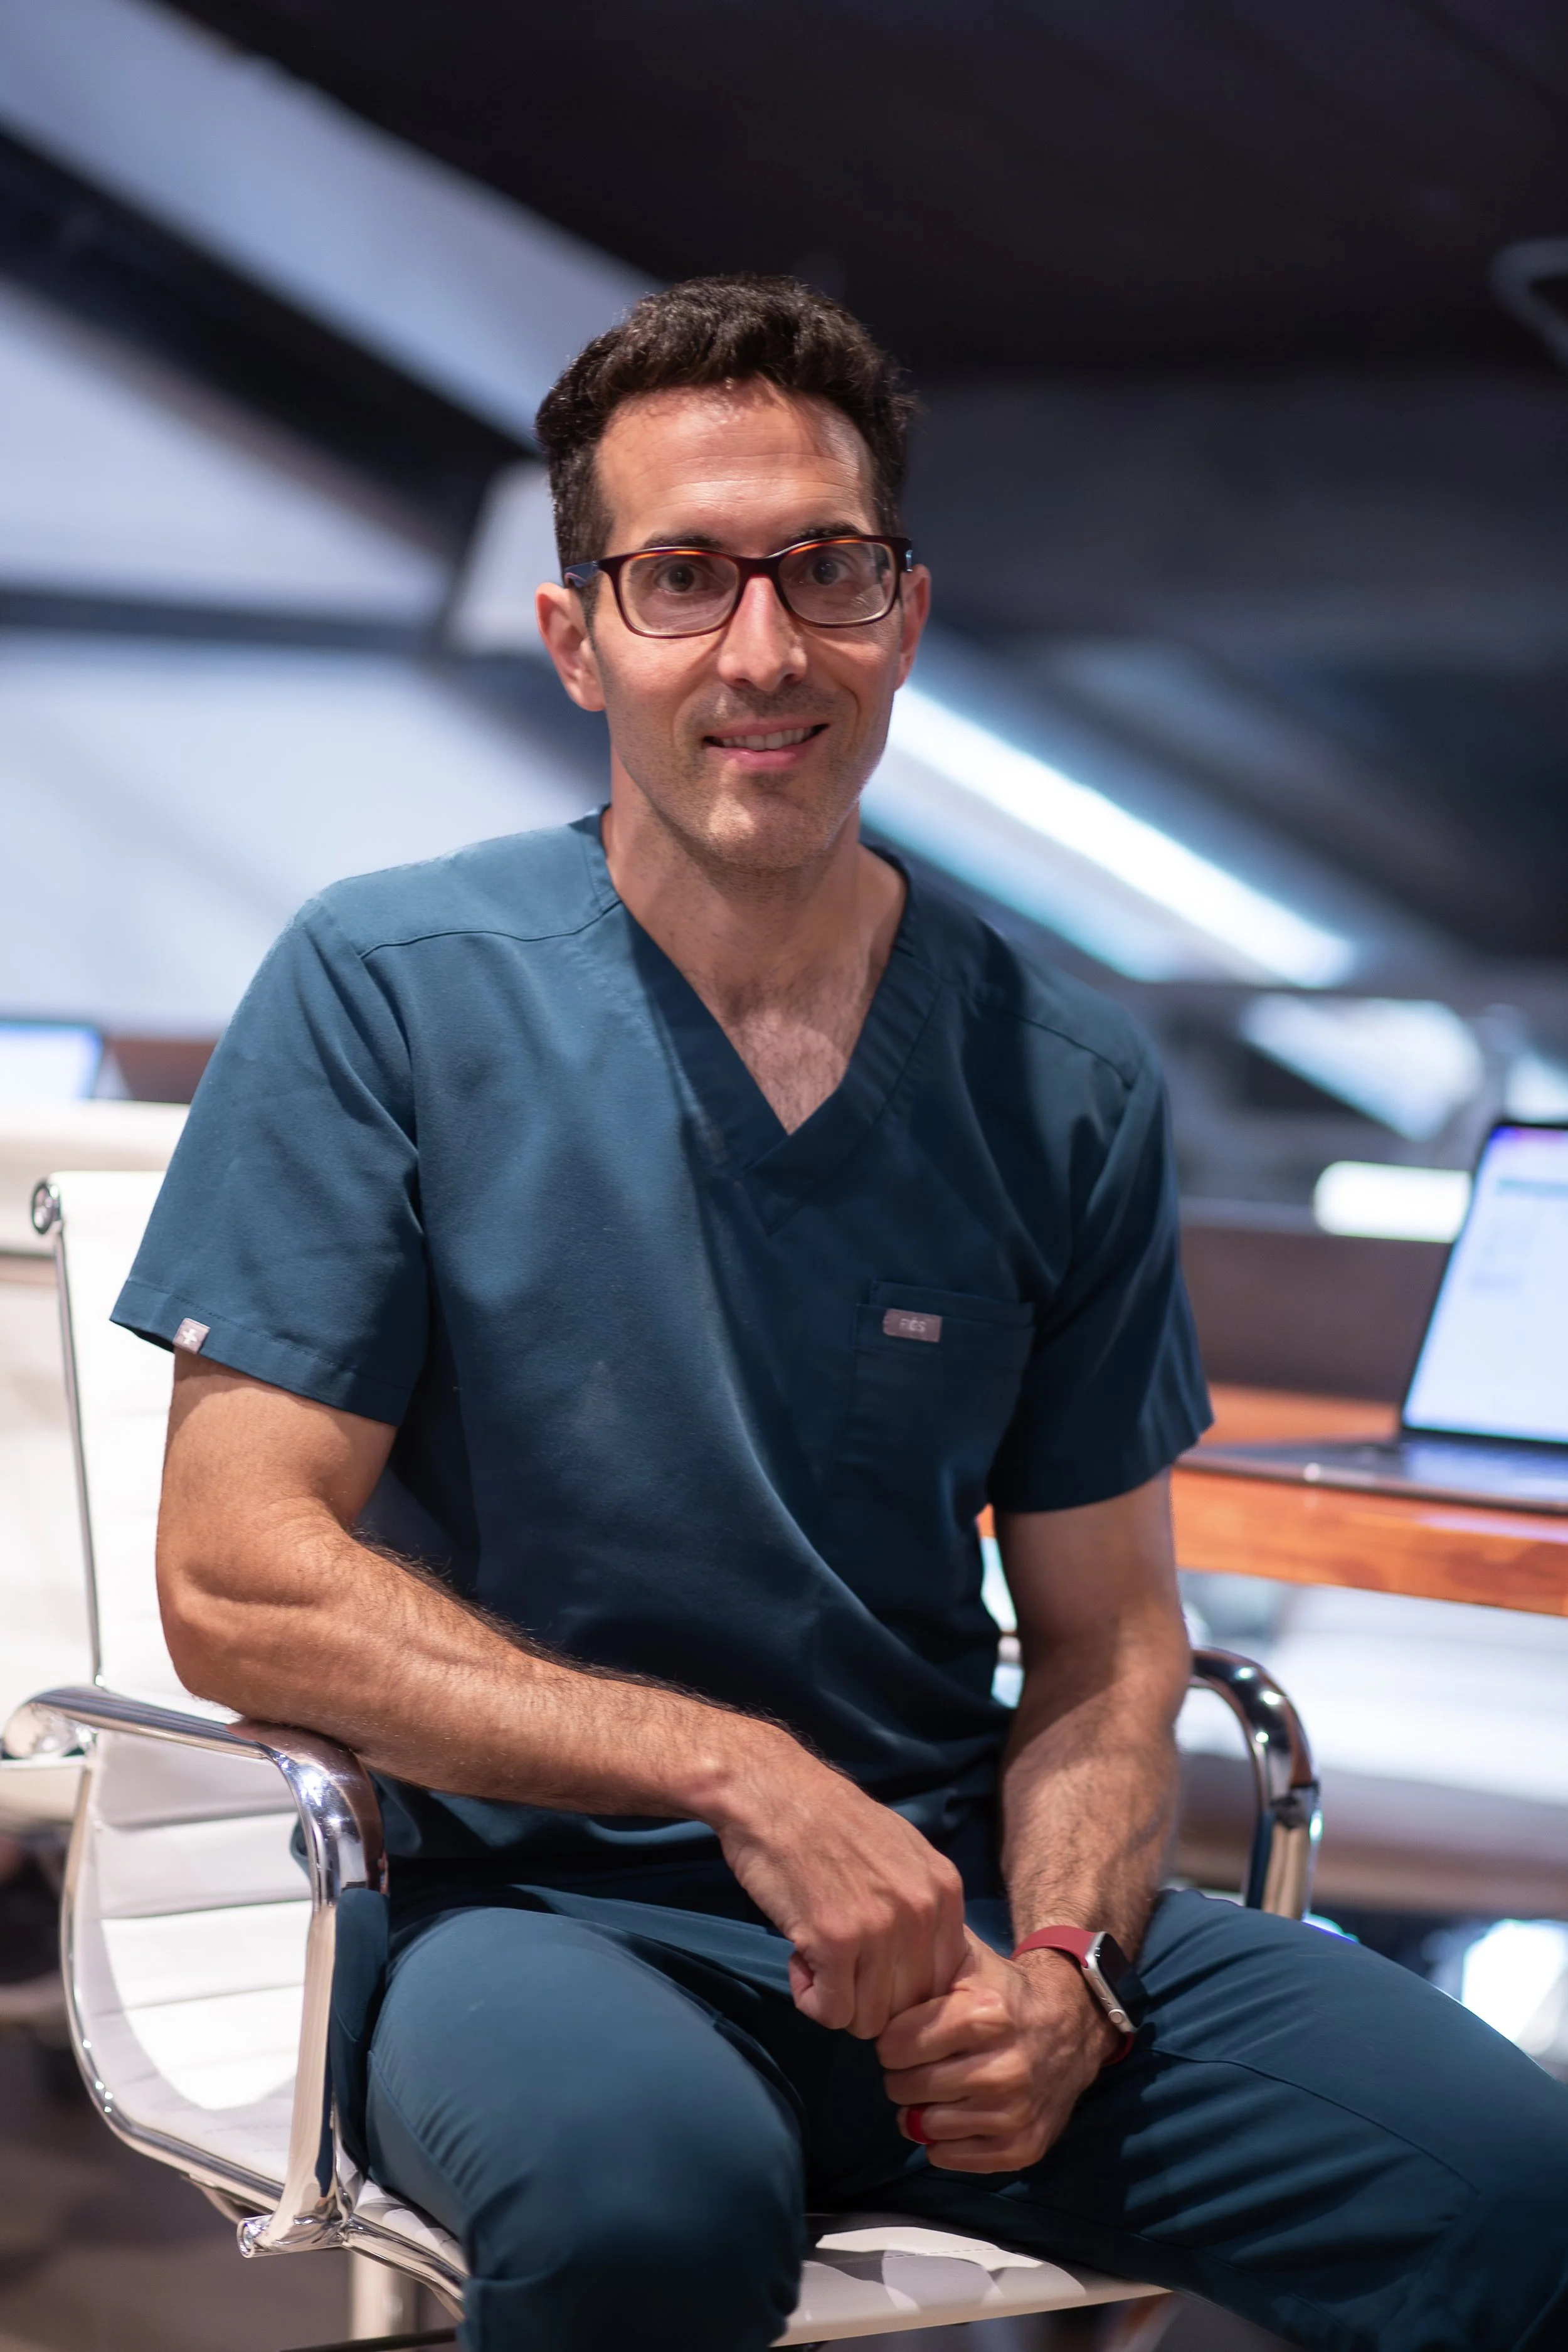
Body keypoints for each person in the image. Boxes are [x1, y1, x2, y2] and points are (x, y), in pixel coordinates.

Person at [117, 277, 1568, 2352]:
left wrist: (1064, 1957)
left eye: (827, 572)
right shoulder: (392, 989)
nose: (763, 649)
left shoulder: (1056, 1070)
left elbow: (1105, 1630)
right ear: (575, 640)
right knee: (645, 2212)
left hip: (952, 1906)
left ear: (903, 609)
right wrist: (735, 1774)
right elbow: (238, 1580)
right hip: (516, 1907)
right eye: (683, 579)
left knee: (1509, 2189)